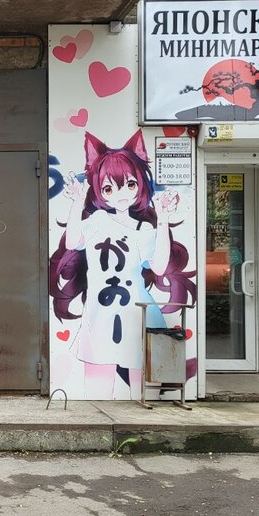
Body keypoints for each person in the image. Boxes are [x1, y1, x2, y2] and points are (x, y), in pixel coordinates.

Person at [49, 130, 196, 398]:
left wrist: (162, 219)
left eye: (129, 184)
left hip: (135, 312)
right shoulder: (96, 222)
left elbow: (159, 267)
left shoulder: (143, 229)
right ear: (100, 191)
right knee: (97, 389)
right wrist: (77, 201)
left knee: (141, 388)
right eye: (109, 188)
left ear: (139, 185)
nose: (121, 194)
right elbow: (72, 241)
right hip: (98, 314)